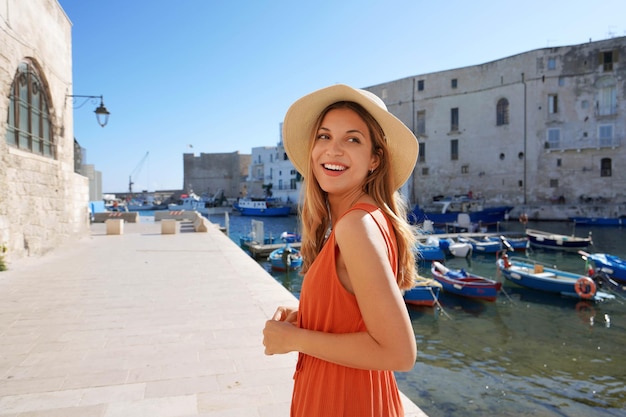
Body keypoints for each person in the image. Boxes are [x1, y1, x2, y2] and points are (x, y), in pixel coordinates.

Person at [263, 84, 420, 416]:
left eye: (352, 139)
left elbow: (399, 353)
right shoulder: (368, 218)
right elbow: (357, 314)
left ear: (375, 159)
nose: (332, 150)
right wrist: (309, 319)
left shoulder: (355, 226)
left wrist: (294, 340)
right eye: (324, 136)